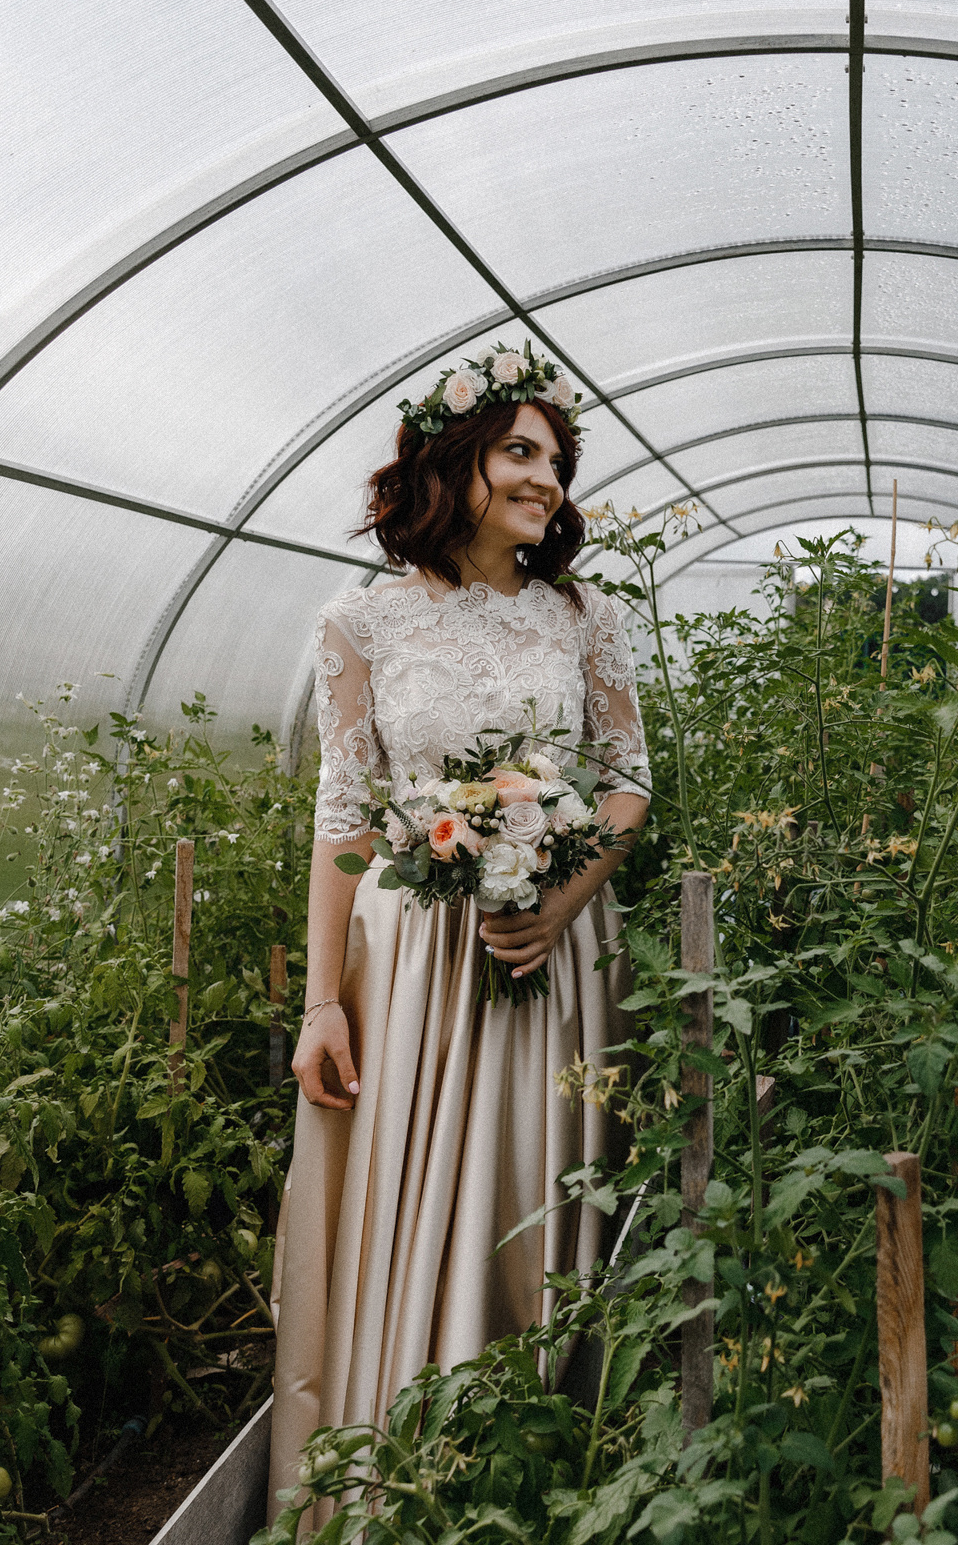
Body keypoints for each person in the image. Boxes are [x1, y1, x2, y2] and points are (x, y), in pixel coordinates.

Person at [268, 344, 650, 1520]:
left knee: (535, 1188)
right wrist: (323, 1003)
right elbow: (343, 817)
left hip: (551, 949)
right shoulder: (359, 621)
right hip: (412, 959)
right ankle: (395, 1472)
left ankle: (541, 1474)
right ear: (454, 462)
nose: (547, 479)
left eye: (558, 461)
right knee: (412, 1199)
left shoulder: (584, 617)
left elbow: (628, 784)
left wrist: (562, 900)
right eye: (520, 451)